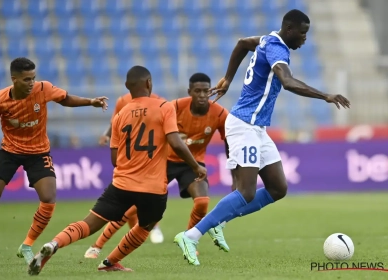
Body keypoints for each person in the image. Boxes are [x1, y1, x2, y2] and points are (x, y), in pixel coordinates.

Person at [174, 9, 351, 266]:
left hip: (257, 128)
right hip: (244, 125)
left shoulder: (268, 39)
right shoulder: (277, 50)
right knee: (245, 191)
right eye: (302, 33)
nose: (304, 39)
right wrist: (325, 95)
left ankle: (218, 221)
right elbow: (288, 82)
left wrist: (228, 78)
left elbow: (242, 43)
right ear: (289, 29)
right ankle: (191, 235)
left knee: (278, 188)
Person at [27, 65, 207, 275]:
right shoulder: (164, 107)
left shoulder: (121, 115)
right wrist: (195, 166)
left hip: (122, 183)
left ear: (127, 87)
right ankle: (111, 261)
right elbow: (176, 143)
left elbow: (114, 159)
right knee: (145, 226)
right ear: (149, 83)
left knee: (89, 224)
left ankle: (55, 243)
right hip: (153, 187)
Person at [84, 73, 230, 259]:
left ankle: (189, 240)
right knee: (132, 208)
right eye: (197, 91)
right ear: (189, 92)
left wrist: (233, 164)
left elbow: (228, 140)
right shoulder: (174, 107)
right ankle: (97, 245)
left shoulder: (219, 113)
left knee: (202, 202)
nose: (202, 95)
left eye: (205, 91)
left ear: (210, 91)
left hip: (191, 164)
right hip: (164, 161)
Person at [0, 57, 108, 265]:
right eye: (26, 80)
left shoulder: (43, 89)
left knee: (49, 197)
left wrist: (90, 102)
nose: (31, 83)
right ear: (14, 79)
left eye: (33, 78)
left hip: (38, 152)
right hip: (10, 151)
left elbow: (65, 99)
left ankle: (26, 245)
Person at [97, 91, 166, 245]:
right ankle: (135, 232)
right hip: (129, 157)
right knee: (130, 198)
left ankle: (153, 227)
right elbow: (115, 121)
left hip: (149, 156)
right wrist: (107, 135)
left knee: (146, 195)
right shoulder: (123, 101)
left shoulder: (159, 101)